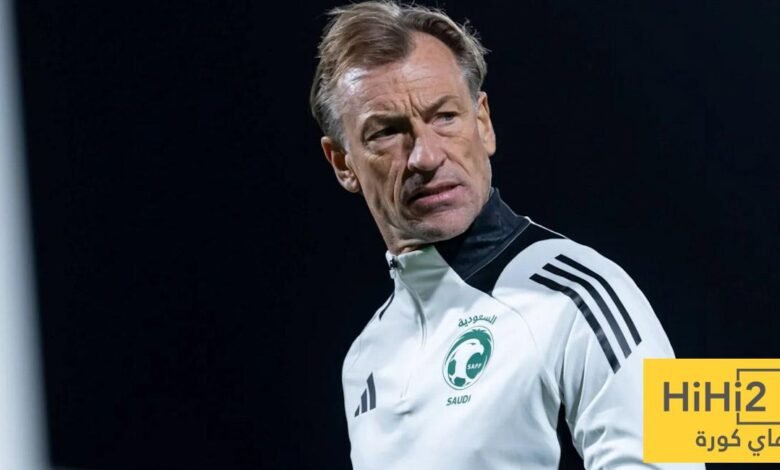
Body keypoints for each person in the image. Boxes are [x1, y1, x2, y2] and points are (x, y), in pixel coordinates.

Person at [310, 2, 705, 469]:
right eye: (387, 133)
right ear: (343, 163)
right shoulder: (363, 357)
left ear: (483, 122)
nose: (425, 156)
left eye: (444, 117)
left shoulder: (584, 291)